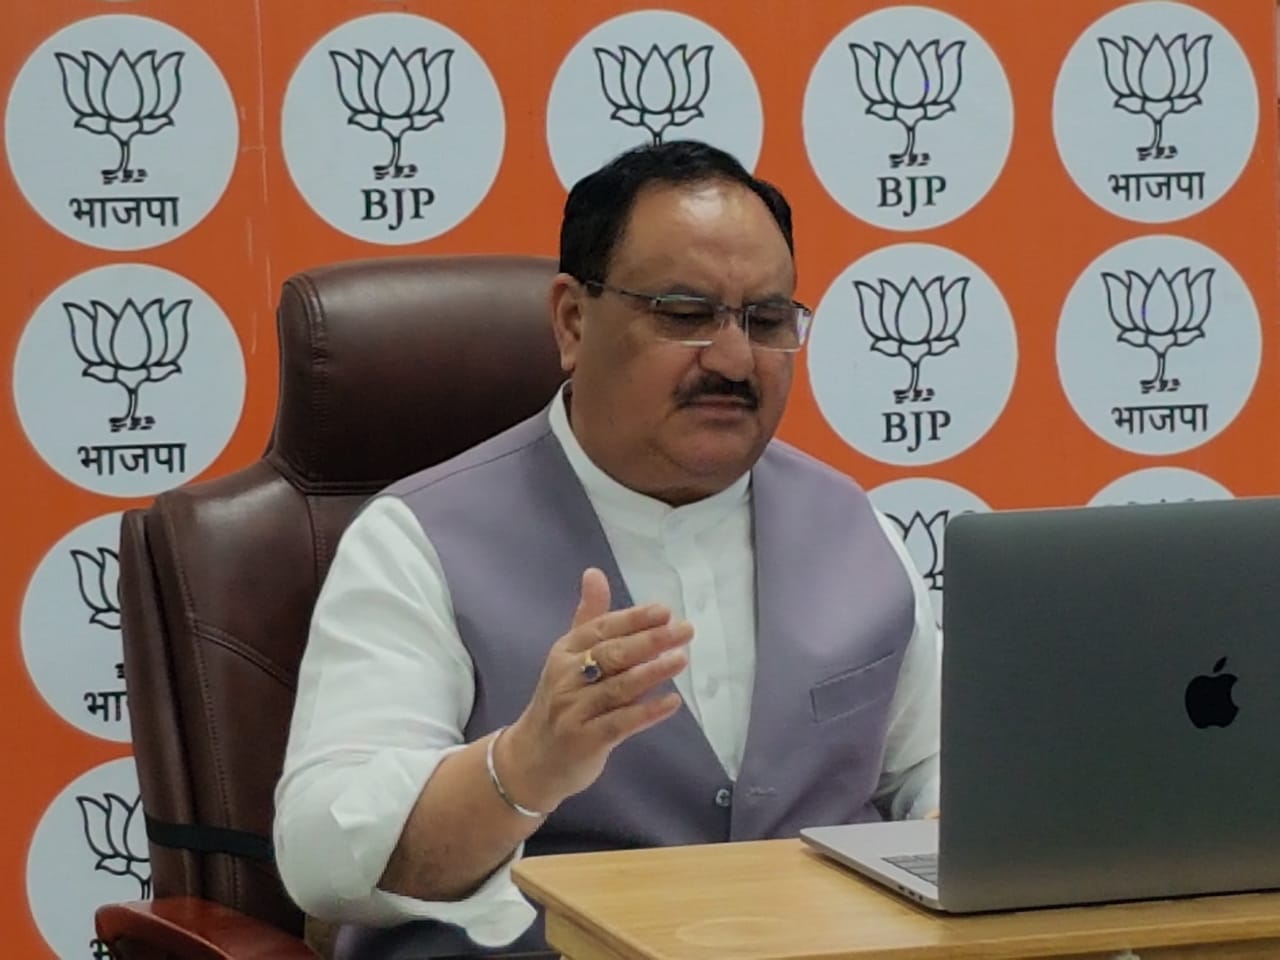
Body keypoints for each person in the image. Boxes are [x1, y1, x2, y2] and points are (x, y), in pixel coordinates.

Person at [273, 139, 940, 959]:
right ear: (572, 320)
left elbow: (932, 772)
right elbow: (320, 859)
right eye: (685, 314)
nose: (734, 359)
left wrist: (968, 824)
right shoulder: (418, 541)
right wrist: (520, 768)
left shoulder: (854, 527)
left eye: (767, 319)